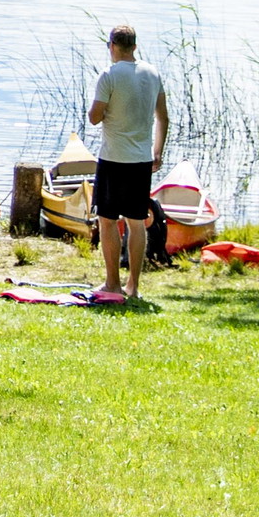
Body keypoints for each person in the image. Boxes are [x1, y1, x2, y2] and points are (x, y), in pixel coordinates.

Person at [85, 24, 169, 306]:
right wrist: (158, 152)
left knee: (107, 220)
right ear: (134, 46)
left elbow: (94, 118)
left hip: (112, 159)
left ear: (111, 46)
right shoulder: (152, 73)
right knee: (137, 223)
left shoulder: (109, 76)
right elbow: (163, 118)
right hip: (141, 160)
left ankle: (113, 283)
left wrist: (105, 108)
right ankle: (134, 285)